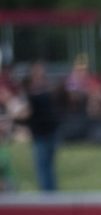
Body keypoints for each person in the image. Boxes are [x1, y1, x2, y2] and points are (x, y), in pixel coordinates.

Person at [21, 62, 64, 192]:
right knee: (45, 166)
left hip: (46, 133)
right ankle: (49, 194)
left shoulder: (41, 94)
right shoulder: (43, 93)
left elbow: (27, 113)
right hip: (43, 132)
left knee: (44, 166)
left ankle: (48, 196)